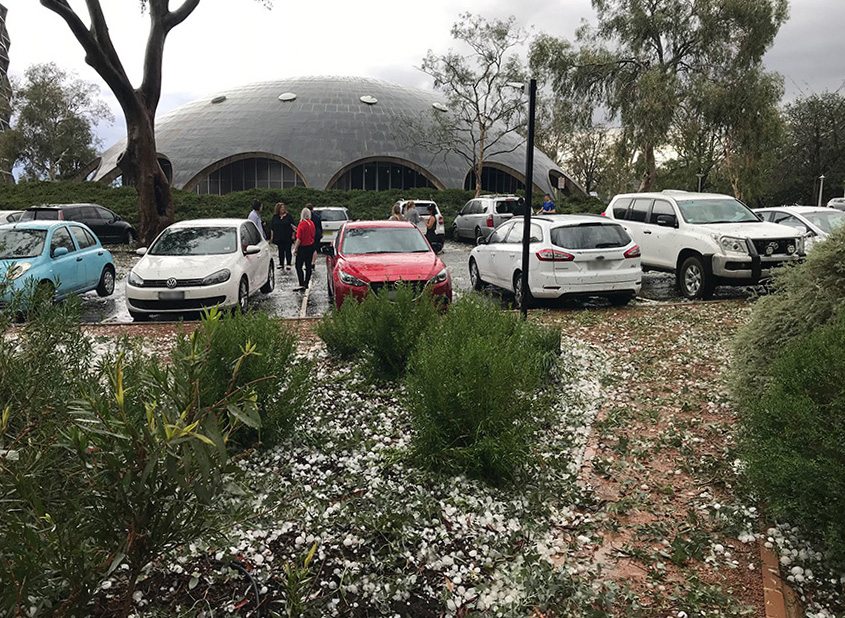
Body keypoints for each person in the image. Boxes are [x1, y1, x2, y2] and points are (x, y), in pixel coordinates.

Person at [292, 207, 316, 292]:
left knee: (298, 266)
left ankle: (301, 283)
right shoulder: (312, 223)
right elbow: (313, 235)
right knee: (308, 265)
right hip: (310, 246)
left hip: (303, 247)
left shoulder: (302, 224)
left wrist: (295, 248)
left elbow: (299, 238)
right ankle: (306, 283)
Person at [270, 202, 295, 270]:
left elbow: (293, 226)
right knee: (280, 250)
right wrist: (272, 236)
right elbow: (272, 227)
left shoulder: (289, 216)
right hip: (279, 236)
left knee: (288, 250)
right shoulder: (275, 217)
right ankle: (281, 263)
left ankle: (288, 263)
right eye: (281, 208)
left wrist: (293, 235)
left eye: (283, 208)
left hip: (287, 236)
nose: (283, 209)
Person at [309, 203, 323, 267]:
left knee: (309, 248)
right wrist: (321, 233)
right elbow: (320, 226)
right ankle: (313, 262)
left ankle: (309, 262)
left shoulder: (307, 217)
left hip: (309, 233)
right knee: (315, 248)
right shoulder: (317, 217)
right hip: (317, 233)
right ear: (312, 209)